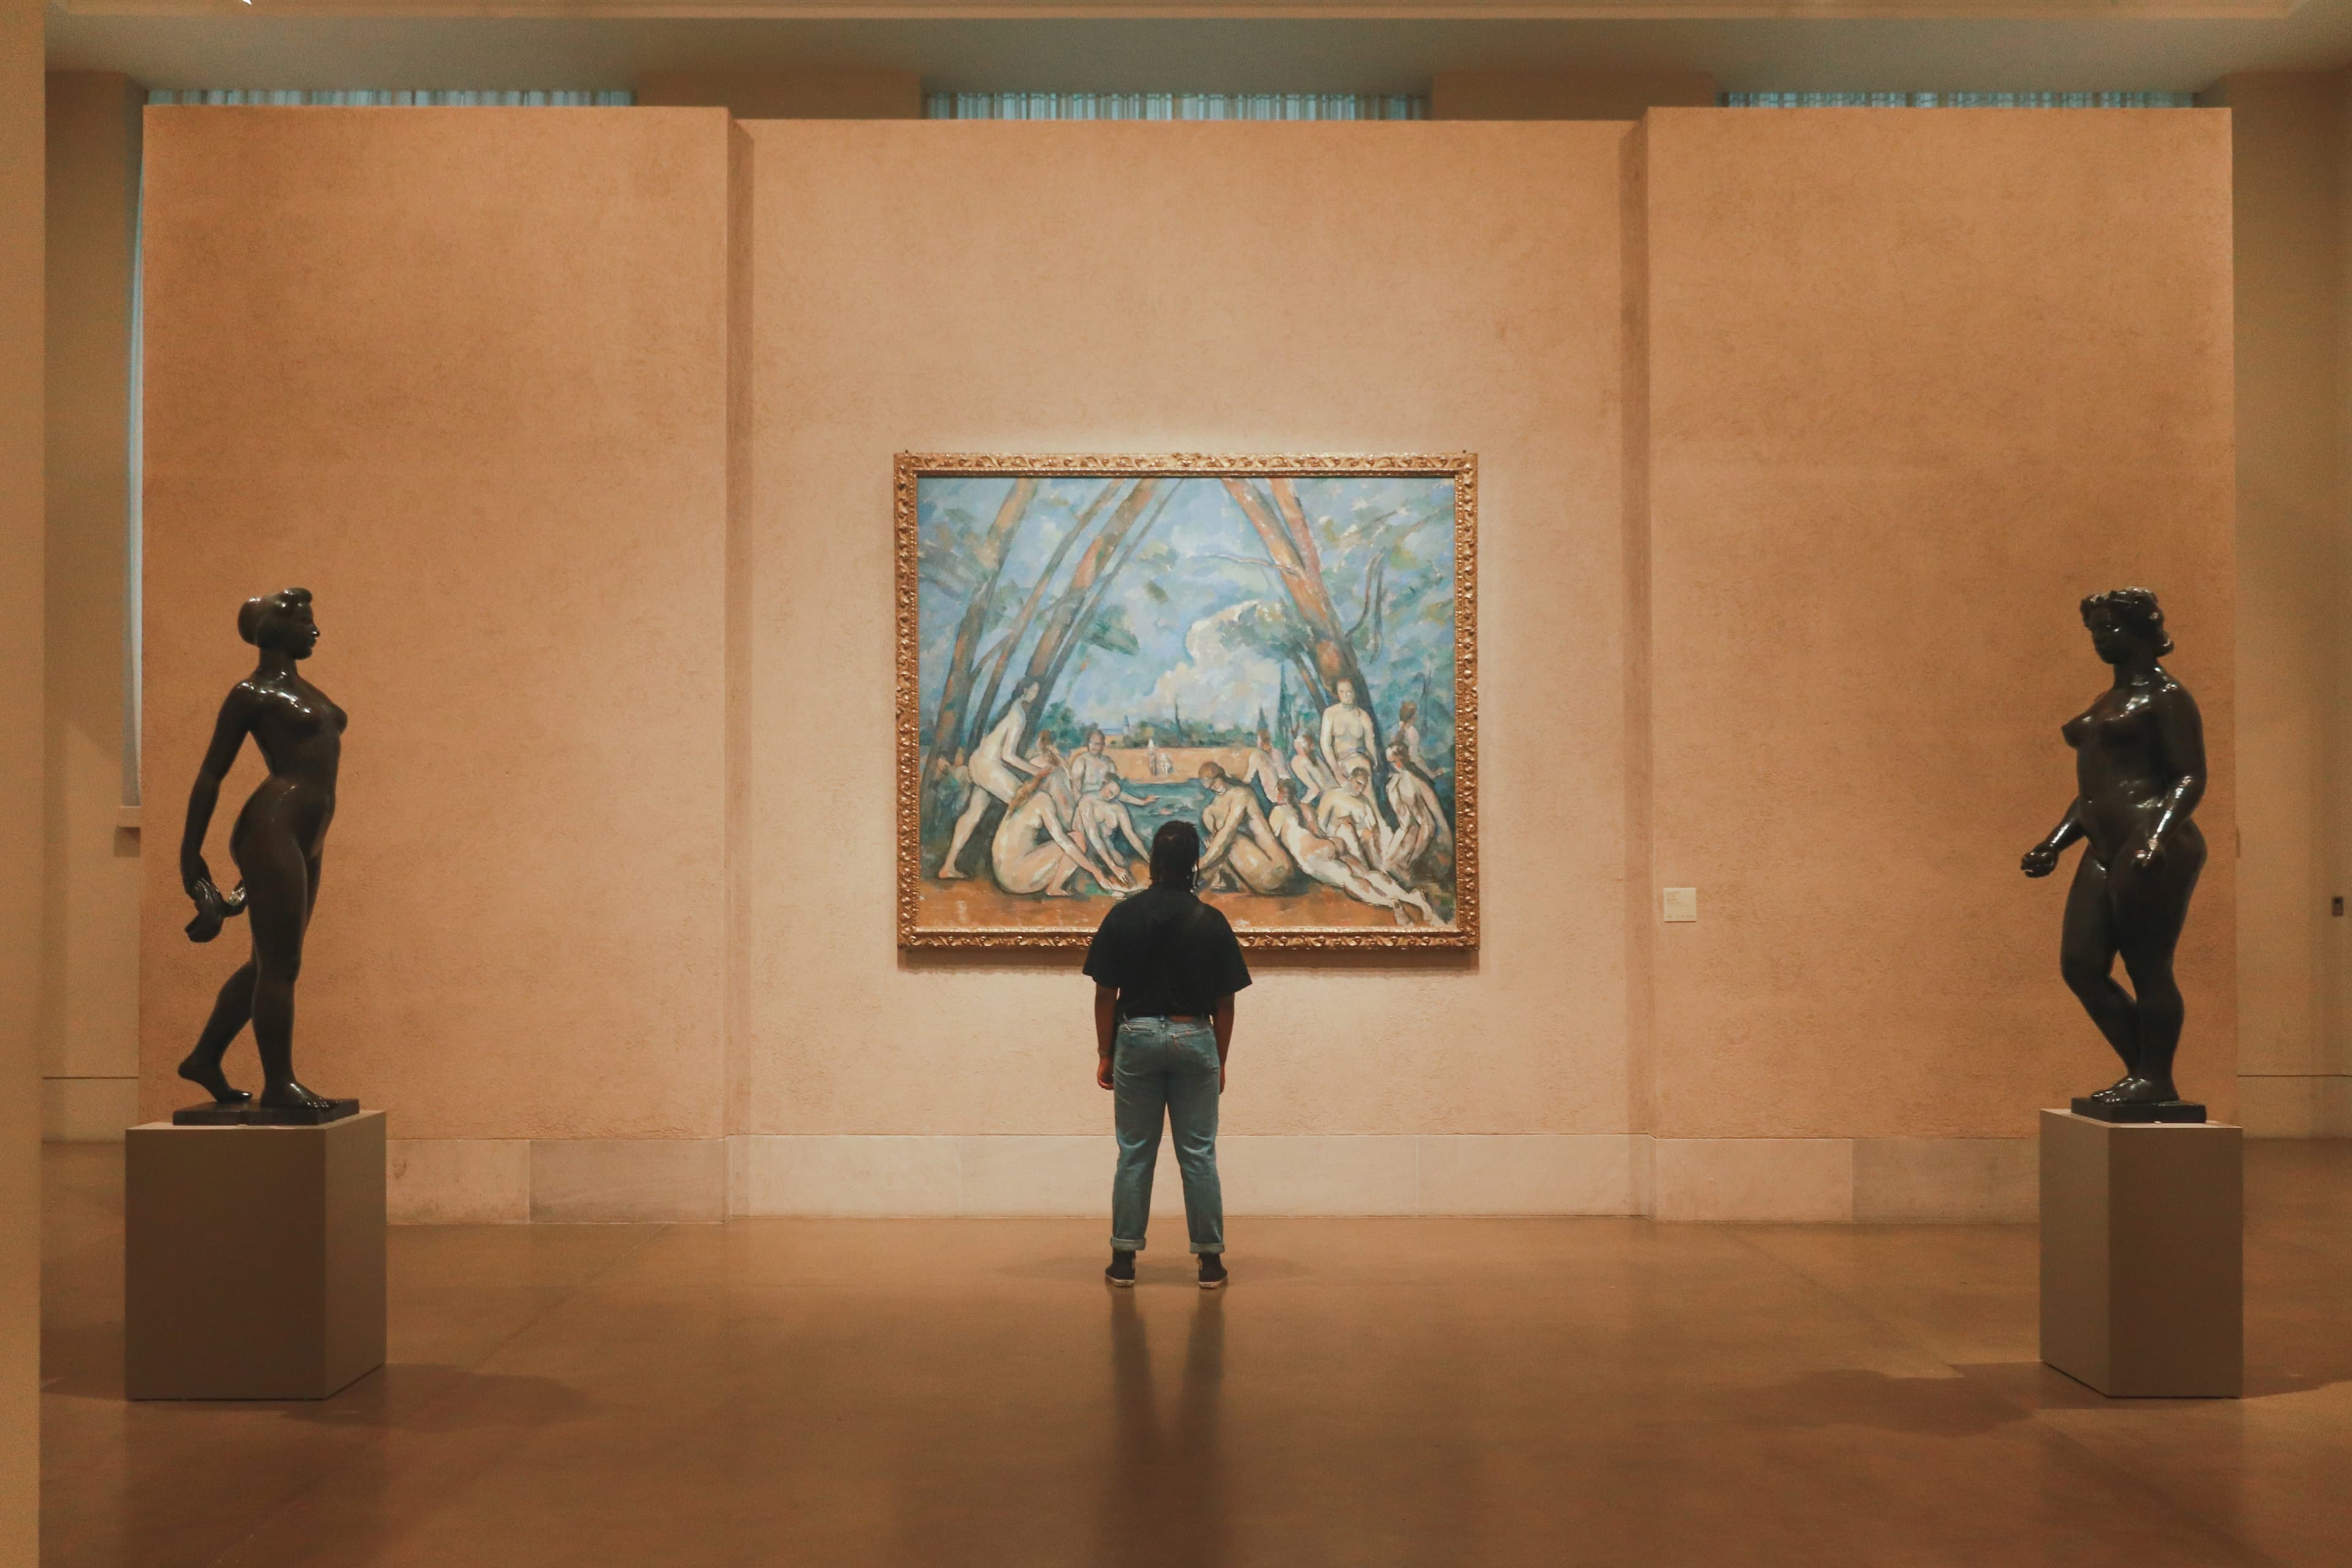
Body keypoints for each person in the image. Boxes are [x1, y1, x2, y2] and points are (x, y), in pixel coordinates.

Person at [2022, 587, 2207, 1110]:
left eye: (2111, 628)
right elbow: (2095, 792)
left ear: (2144, 630)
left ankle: (2154, 1079)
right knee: (2081, 965)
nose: (2102, 639)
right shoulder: (2108, 701)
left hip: (2151, 842)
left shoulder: (2168, 698)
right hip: (2105, 843)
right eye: (2096, 630)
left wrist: (2157, 835)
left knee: (2148, 965)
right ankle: (2147, 1076)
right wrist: (2054, 843)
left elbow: (2191, 776)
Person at [176, 587, 346, 1115]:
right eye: (307, 622)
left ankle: (204, 1058)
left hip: (305, 832)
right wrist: (191, 856)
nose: (315, 631)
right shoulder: (250, 694)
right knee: (282, 963)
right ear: (276, 628)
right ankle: (280, 1084)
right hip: (272, 825)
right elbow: (211, 775)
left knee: (267, 962)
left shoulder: (308, 690)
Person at [1085, 822, 1251, 1290]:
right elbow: (1226, 1002)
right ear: (1194, 863)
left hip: (1134, 1037)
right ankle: (1210, 1261)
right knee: (1198, 1153)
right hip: (1193, 1035)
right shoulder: (1211, 921)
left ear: (1154, 862)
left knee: (1135, 1152)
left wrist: (1104, 1052)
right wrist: (1219, 1059)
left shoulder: (1123, 916)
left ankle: (1123, 1259)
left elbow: (1104, 993)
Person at [1268, 779, 1438, 925]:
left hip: (1312, 854)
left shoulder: (1277, 812)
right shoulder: (1306, 808)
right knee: (1366, 872)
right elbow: (1320, 833)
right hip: (1332, 843)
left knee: (1348, 879)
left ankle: (1389, 902)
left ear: (1280, 794)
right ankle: (1413, 898)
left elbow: (1273, 844)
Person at [939, 682, 1043, 880]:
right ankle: (1012, 868)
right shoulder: (1018, 715)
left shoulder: (1008, 709)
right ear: (1025, 691)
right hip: (989, 767)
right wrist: (1038, 771)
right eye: (1035, 691)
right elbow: (1008, 756)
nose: (1037, 695)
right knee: (1024, 802)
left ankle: (948, 866)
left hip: (977, 762)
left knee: (973, 815)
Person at [990, 771, 1115, 897]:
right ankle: (1054, 888)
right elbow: (1064, 842)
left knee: (1073, 839)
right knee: (1077, 841)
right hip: (1016, 879)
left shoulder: (1024, 794)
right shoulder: (1043, 799)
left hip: (1003, 876)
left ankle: (1054, 886)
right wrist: (1095, 871)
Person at [1196, 762, 1295, 895]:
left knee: (1225, 838)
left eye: (1214, 782)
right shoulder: (1214, 805)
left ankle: (1205, 877)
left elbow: (1227, 834)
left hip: (1275, 870)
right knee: (1211, 821)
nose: (1213, 788)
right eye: (1208, 785)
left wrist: (1201, 863)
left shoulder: (1242, 794)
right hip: (1258, 870)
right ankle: (1216, 877)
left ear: (1221, 776)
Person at [1381, 735, 1451, 883]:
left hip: (1423, 834)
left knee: (1394, 867)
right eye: (1391, 763)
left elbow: (1431, 821)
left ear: (1401, 759)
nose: (1393, 766)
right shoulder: (1393, 784)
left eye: (1395, 762)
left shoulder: (1417, 780)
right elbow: (1405, 822)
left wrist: (1412, 859)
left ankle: (1408, 868)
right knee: (1387, 864)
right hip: (1408, 832)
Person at [1075, 778, 1152, 890]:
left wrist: (1147, 857)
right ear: (1103, 784)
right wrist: (1113, 867)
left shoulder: (1118, 808)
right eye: (1110, 791)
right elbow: (1093, 836)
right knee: (1105, 874)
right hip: (1085, 845)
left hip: (1107, 846)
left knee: (1124, 868)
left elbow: (1130, 835)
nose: (1110, 796)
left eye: (1115, 795)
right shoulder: (1087, 800)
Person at [1315, 758, 1388, 871]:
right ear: (1350, 779)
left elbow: (1374, 826)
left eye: (1364, 786)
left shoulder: (1364, 802)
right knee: (1347, 828)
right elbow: (1320, 824)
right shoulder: (1333, 795)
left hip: (1360, 841)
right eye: (1358, 783)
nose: (1361, 789)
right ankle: (1364, 870)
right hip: (1337, 838)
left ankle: (1380, 869)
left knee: (1368, 834)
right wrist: (1340, 822)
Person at [1319, 679, 1377, 782]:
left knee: (1364, 771)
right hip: (1340, 762)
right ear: (1337, 692)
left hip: (1361, 758)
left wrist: (1375, 763)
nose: (1345, 695)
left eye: (1349, 692)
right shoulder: (1330, 713)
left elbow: (1370, 743)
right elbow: (1325, 744)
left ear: (1354, 692)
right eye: (1342, 692)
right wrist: (1336, 771)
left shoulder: (1363, 716)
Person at [1287, 729, 1334, 807]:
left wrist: (1301, 805)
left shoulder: (1297, 761)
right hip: (1334, 794)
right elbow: (1332, 781)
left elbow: (1315, 789)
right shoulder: (1316, 758)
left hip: (1326, 800)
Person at [1243, 728, 1287, 806]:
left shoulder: (1257, 755)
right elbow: (1283, 774)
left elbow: (1248, 778)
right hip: (1285, 795)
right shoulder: (1278, 753)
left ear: (1259, 741)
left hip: (1272, 798)